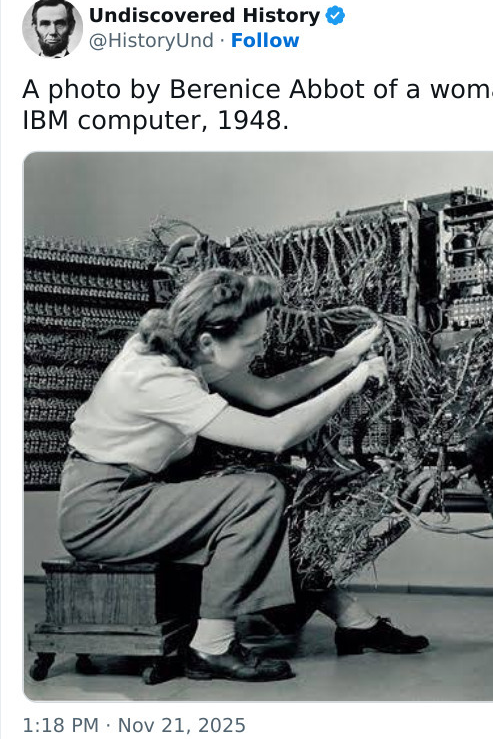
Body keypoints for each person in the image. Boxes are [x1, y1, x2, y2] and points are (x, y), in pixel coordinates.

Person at [58, 268, 428, 683]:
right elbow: (276, 435)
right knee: (259, 494)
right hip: (102, 512)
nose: (259, 349)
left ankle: (352, 619)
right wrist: (353, 383)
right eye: (252, 343)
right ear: (207, 341)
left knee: (272, 494)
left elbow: (268, 394)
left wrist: (345, 358)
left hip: (134, 493)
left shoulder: (184, 346)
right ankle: (211, 647)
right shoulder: (155, 377)